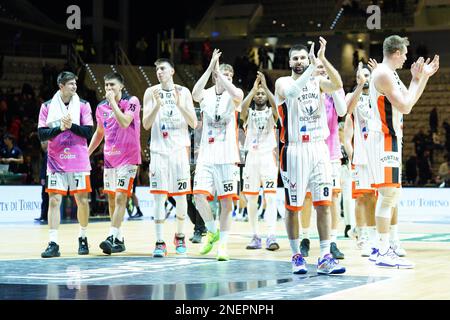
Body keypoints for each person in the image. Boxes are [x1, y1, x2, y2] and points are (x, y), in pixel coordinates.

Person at [275, 38, 346, 275]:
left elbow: (337, 84)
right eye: (295, 58)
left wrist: (323, 60)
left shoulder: (317, 80)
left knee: (324, 204)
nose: (299, 61)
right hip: (294, 149)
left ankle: (325, 256)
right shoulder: (282, 82)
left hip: (319, 148)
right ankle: (296, 255)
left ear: (308, 59)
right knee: (294, 206)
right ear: (290, 61)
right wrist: (310, 72)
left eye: (303, 58)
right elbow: (294, 92)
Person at [367, 35, 439, 268]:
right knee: (388, 195)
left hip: (390, 138)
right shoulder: (383, 74)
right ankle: (381, 250)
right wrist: (421, 78)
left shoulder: (391, 73)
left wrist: (421, 78)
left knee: (391, 196)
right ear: (396, 52)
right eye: (405, 54)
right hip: (384, 138)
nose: (406, 57)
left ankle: (381, 248)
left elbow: (409, 99)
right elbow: (407, 106)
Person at [192, 49, 244, 261]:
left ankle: (223, 246)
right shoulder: (207, 94)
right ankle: (212, 230)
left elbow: (238, 95)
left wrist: (222, 75)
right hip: (206, 154)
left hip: (227, 156)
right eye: (222, 75)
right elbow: (195, 93)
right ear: (215, 76)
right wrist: (211, 68)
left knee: (226, 203)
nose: (226, 79)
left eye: (230, 76)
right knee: (198, 196)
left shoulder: (235, 95)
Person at [143, 58, 197, 257]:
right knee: (159, 198)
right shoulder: (151, 92)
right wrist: (157, 105)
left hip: (179, 151)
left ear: (172, 71)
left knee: (182, 197)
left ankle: (180, 236)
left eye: (163, 68)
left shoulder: (184, 92)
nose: (159, 72)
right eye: (157, 69)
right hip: (158, 152)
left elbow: (194, 123)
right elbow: (146, 124)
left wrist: (180, 104)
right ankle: (159, 242)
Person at [37, 71, 93, 258]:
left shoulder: (84, 105)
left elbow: (88, 132)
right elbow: (42, 134)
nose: (74, 86)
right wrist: (59, 128)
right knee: (54, 200)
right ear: (61, 86)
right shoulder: (46, 107)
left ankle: (83, 237)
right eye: (70, 84)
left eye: (75, 83)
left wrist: (71, 127)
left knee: (82, 201)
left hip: (78, 161)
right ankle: (53, 243)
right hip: (56, 161)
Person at [299, 59, 347, 260]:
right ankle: (305, 238)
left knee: (333, 198)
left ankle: (333, 240)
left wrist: (333, 87)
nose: (321, 70)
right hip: (308, 150)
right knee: (308, 197)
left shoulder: (334, 89)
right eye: (318, 66)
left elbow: (343, 111)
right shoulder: (304, 89)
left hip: (331, 152)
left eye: (324, 67)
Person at [88, 72, 141, 255]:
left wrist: (112, 103)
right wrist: (86, 153)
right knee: (111, 198)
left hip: (128, 158)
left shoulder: (132, 101)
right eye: (106, 86)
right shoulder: (101, 107)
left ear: (121, 87)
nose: (109, 89)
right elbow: (99, 132)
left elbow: (125, 121)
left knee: (120, 197)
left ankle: (111, 236)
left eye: (112, 85)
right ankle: (118, 239)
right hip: (110, 159)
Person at [240, 71, 279, 251]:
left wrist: (266, 87)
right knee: (252, 200)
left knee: (270, 198)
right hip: (252, 158)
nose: (260, 96)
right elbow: (241, 110)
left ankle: (271, 235)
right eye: (258, 94)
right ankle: (255, 235)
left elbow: (278, 107)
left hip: (267, 157)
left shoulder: (272, 112)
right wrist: (254, 89)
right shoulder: (248, 114)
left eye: (262, 93)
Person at [344, 62, 378, 257]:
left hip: (376, 155)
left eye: (368, 75)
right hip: (360, 156)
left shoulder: (379, 96)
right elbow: (347, 135)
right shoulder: (352, 97)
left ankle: (374, 237)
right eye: (362, 75)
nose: (366, 78)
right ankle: (362, 236)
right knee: (360, 197)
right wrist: (352, 157)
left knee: (374, 197)